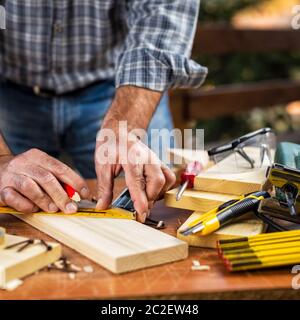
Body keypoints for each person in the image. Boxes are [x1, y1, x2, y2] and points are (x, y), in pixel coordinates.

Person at [0, 1, 207, 222]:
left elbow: (162, 16)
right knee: (16, 200)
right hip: (11, 91)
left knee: (159, 197)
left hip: (122, 86)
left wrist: (124, 126)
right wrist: (2, 159)